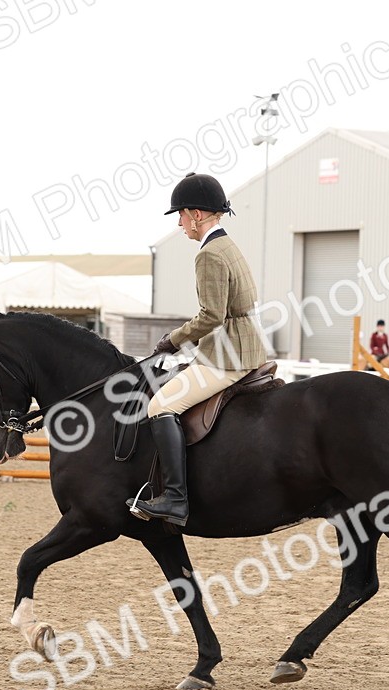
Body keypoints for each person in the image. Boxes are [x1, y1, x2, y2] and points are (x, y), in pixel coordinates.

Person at [128, 172, 268, 527]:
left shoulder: (208, 254)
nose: (179, 223)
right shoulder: (227, 245)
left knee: (160, 404)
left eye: (180, 215)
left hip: (228, 354)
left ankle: (175, 498)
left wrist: (172, 341)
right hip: (242, 345)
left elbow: (211, 316)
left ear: (197, 214)